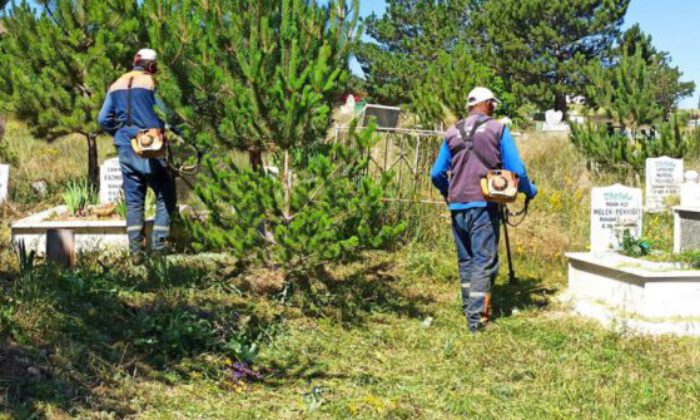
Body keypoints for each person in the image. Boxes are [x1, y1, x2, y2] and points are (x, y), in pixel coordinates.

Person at [430, 87, 537, 333]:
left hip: (457, 205)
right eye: (493, 105)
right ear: (487, 104)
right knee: (483, 260)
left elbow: (436, 173)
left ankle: (469, 307)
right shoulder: (498, 129)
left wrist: (448, 193)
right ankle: (476, 320)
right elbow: (517, 172)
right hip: (484, 204)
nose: (494, 110)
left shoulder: (452, 132)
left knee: (466, 260)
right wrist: (530, 191)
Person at [98, 48, 176, 264]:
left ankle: (135, 251)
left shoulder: (116, 85)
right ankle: (159, 246)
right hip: (152, 147)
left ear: (135, 62)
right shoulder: (152, 84)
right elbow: (167, 115)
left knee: (134, 200)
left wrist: (122, 135)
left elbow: (103, 119)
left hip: (125, 147)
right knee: (166, 193)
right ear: (151, 66)